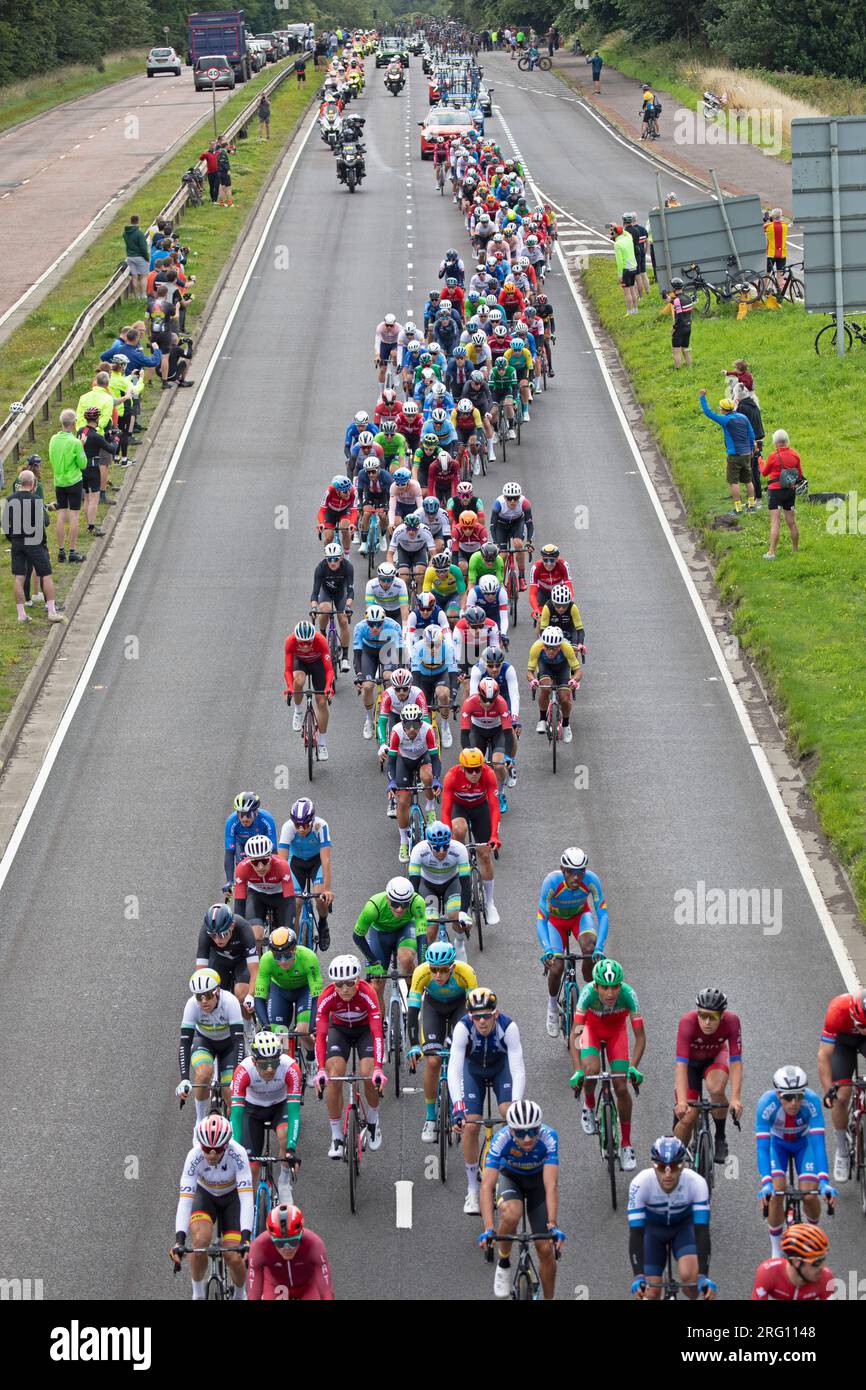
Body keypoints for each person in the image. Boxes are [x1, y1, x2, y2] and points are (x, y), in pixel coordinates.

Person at [478, 1099, 564, 1300]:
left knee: (545, 1249)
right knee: (510, 1213)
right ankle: (504, 1262)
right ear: (511, 1130)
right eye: (520, 1133)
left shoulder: (549, 1137)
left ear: (539, 1127)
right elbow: (486, 1186)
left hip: (538, 1184)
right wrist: (489, 1228)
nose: (527, 1138)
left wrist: (552, 1224)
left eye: (533, 1131)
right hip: (511, 1179)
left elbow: (551, 1185)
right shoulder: (501, 1139)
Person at [570, 959, 644, 1170]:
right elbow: (575, 1033)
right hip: (590, 1032)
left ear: (620, 985)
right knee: (591, 1070)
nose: (610, 993)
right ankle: (590, 1104)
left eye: (614, 987)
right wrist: (577, 1070)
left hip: (616, 1034)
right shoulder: (587, 994)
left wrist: (633, 1066)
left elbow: (640, 1037)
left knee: (621, 1086)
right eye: (605, 987)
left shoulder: (629, 995)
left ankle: (626, 1144)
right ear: (596, 986)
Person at [755, 1064, 835, 1257]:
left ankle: (811, 1234)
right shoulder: (766, 1104)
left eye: (798, 1096)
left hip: (803, 1144)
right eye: (788, 1097)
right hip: (778, 1145)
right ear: (778, 1094)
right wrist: (766, 1182)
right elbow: (762, 1148)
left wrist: (824, 1181)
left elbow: (818, 1145)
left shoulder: (812, 1101)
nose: (793, 1102)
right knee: (776, 1193)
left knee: (809, 1194)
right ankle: (776, 1250)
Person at [170, 1113, 252, 1300]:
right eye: (207, 1148)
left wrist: (246, 1239)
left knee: (235, 1256)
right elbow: (185, 1200)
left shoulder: (238, 1154)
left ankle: (240, 1295)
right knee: (199, 1241)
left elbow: (247, 1198)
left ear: (226, 1146)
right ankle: (198, 1294)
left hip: (233, 1199)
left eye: (217, 1149)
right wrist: (179, 1240)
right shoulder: (193, 1156)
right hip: (205, 1195)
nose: (211, 1154)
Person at [314, 955, 386, 1157]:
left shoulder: (368, 993)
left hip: (364, 1031)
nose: (344, 988)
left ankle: (373, 1121)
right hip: (340, 1031)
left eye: (349, 983)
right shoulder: (327, 996)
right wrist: (320, 1069)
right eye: (339, 984)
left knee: (368, 1073)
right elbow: (320, 1035)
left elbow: (377, 1032)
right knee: (334, 1075)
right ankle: (336, 1136)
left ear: (357, 980)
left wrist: (379, 1067)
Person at [629, 1137, 715, 1300]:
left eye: (674, 1167)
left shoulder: (697, 1183)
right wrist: (638, 1275)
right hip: (652, 1232)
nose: (667, 1174)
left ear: (682, 1165)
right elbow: (636, 1233)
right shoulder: (640, 1183)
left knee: (691, 1281)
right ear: (653, 1166)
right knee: (650, 1292)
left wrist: (704, 1275)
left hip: (682, 1228)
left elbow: (702, 1231)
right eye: (661, 1167)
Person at [673, 987, 743, 1160]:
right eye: (703, 1015)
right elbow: (681, 1065)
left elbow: (736, 1062)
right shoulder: (687, 1022)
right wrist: (681, 1102)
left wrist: (735, 1098)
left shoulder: (732, 1021)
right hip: (690, 1064)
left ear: (722, 1015)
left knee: (717, 1090)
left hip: (715, 1058)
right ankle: (676, 1157)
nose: (707, 1022)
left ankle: (720, 1136)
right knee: (688, 1116)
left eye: (713, 1017)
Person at [2, 471, 64, 624]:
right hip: (35, 542)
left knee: (19, 577)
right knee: (46, 574)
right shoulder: (36, 500)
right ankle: (51, 611)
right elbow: (44, 523)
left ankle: (21, 614)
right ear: (32, 484)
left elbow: (4, 524)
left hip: (17, 543)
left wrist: (13, 539)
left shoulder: (9, 500)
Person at [817, 987, 866, 1182]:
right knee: (841, 1097)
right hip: (843, 1043)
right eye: (862, 1025)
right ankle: (842, 1151)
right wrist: (829, 1090)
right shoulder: (837, 1009)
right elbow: (823, 1056)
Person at [248, 1204, 335, 1300]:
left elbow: (327, 1293)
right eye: (280, 1243)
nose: (287, 1248)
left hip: (308, 1286)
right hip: (276, 1285)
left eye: (292, 1242)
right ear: (271, 1239)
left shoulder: (314, 1244)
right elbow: (253, 1295)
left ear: (301, 1234)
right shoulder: (259, 1247)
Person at [698, 389, 756, 514]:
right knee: (748, 480)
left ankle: (738, 508)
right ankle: (751, 506)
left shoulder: (725, 420)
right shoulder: (744, 417)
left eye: (720, 408)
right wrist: (751, 448)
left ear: (724, 410)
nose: (719, 409)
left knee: (733, 482)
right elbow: (751, 434)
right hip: (747, 453)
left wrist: (702, 397)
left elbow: (708, 412)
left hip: (734, 455)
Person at [752, 1224, 834, 1301]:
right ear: (796, 1262)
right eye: (817, 1262)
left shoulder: (826, 1277)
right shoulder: (767, 1273)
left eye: (823, 1259)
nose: (823, 1267)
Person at [48, 409, 87, 563]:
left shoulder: (53, 439)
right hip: (74, 481)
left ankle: (61, 551)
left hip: (59, 481)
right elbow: (83, 464)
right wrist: (82, 445)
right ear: (74, 423)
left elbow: (51, 457)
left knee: (61, 514)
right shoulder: (75, 442)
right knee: (74, 515)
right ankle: (72, 551)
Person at [760, 429, 802, 559]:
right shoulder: (795, 455)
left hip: (775, 491)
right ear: (786, 441)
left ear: (776, 442)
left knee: (775, 522)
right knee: (791, 522)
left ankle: (771, 552)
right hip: (789, 491)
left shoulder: (773, 456)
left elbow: (764, 473)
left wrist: (760, 461)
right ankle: (795, 550)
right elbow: (799, 475)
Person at [666, 277, 694, 368]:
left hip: (680, 328)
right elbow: (681, 306)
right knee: (686, 349)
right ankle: (689, 367)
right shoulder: (688, 298)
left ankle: (678, 370)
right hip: (688, 326)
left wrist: (674, 328)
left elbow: (679, 317)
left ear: (674, 288)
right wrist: (670, 300)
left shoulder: (677, 300)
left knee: (676, 351)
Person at [612, 224, 638, 315]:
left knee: (627, 292)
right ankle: (635, 309)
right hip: (633, 267)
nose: (612, 234)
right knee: (633, 289)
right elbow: (626, 233)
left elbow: (619, 261)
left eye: (613, 232)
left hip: (625, 270)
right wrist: (617, 226)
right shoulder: (629, 238)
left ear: (615, 234)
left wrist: (620, 275)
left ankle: (629, 311)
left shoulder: (617, 244)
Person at [123, 214, 150, 297]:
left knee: (134, 276)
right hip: (140, 256)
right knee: (143, 276)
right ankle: (143, 294)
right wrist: (147, 257)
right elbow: (143, 248)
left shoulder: (125, 233)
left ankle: (136, 295)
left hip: (130, 257)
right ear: (138, 221)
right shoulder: (139, 233)